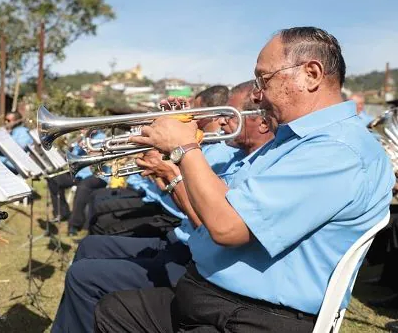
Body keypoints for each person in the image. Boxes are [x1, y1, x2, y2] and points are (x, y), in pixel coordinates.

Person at [94, 27, 394, 333]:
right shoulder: (297, 142)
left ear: (311, 74)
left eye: (264, 78)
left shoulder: (337, 150)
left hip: (254, 317)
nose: (256, 93)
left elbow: (227, 227)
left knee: (101, 291)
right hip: (219, 300)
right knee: (114, 311)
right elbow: (219, 208)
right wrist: (174, 169)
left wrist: (185, 148)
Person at [50, 81, 274, 333]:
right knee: (90, 249)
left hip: (193, 256)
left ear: (262, 122)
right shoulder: (233, 157)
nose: (222, 122)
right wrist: (162, 166)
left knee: (88, 273)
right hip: (185, 243)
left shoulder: (223, 154)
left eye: (194, 113)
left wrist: (171, 172)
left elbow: (207, 222)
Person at [86, 85, 232, 237]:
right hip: (166, 206)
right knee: (99, 210)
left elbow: (167, 188)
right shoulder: (201, 143)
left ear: (210, 113)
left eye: (195, 109)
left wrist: (163, 169)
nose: (189, 114)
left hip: (175, 217)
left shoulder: (218, 151)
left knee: (101, 226)